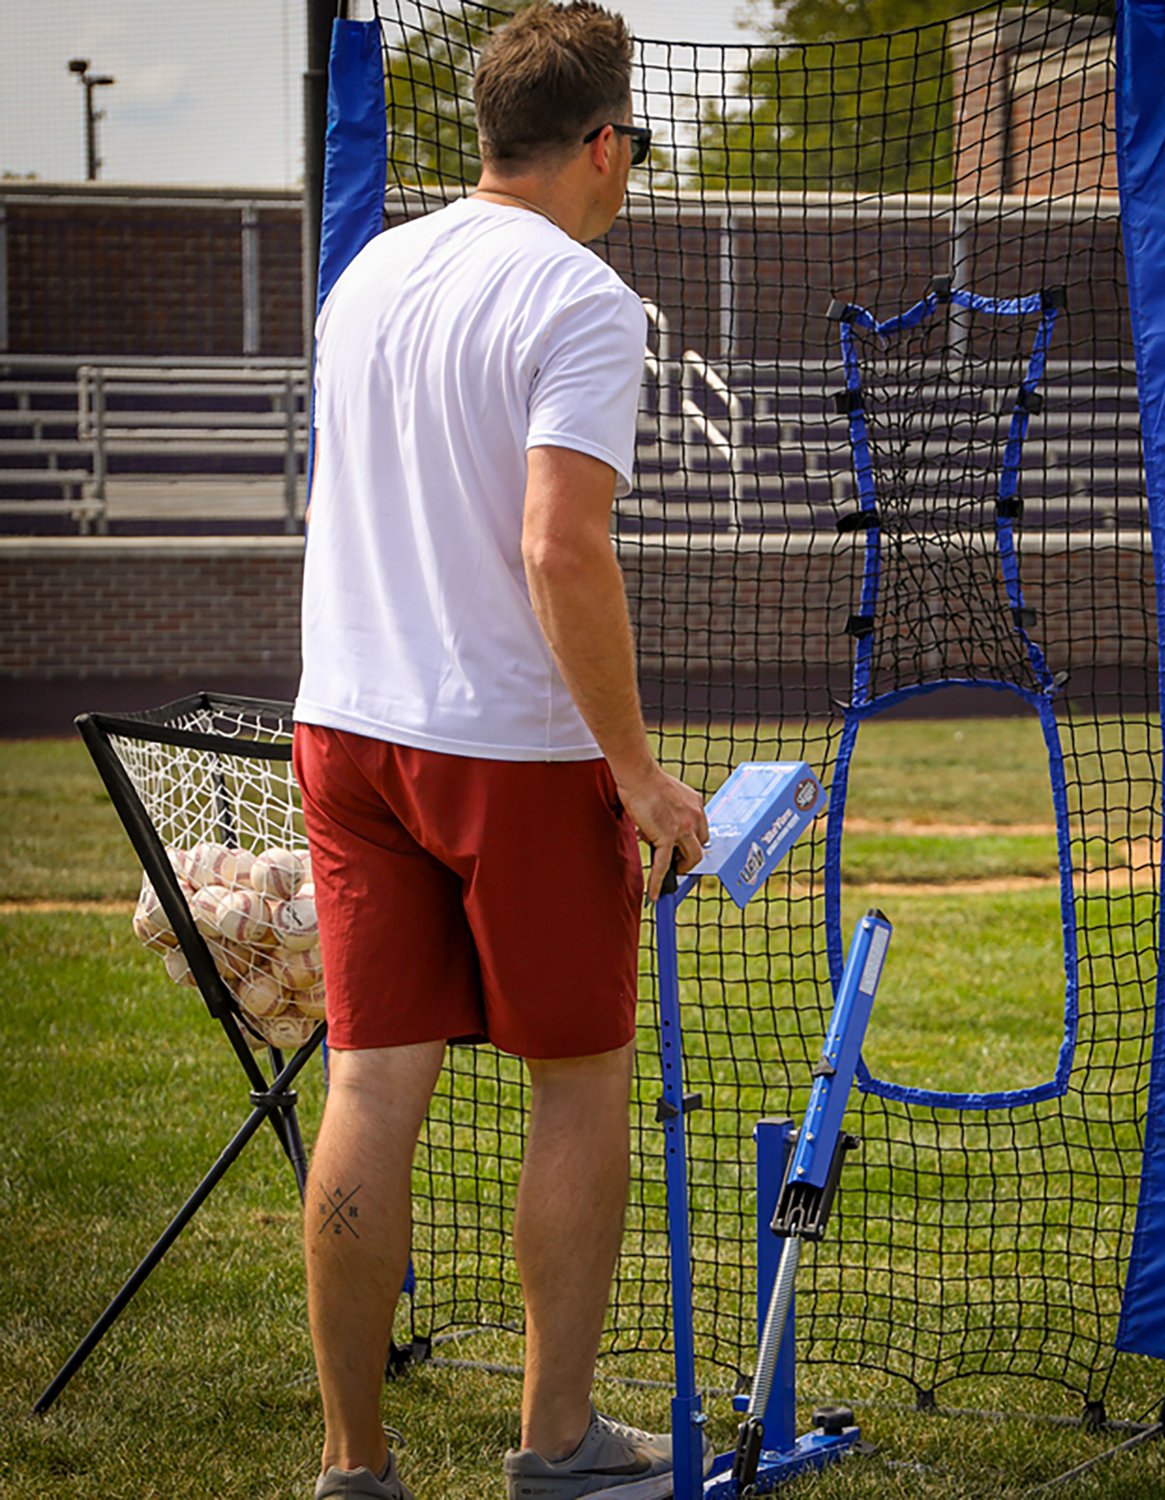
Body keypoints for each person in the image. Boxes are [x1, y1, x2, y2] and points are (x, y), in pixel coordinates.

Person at [291, 5, 709, 1497]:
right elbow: (561, 550)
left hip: (344, 731)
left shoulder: (370, 275)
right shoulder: (584, 297)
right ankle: (555, 1449)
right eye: (636, 150)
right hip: (507, 751)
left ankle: (355, 1469)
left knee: (369, 1087)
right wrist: (641, 778)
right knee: (580, 1085)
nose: (629, 176)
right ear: (602, 144)